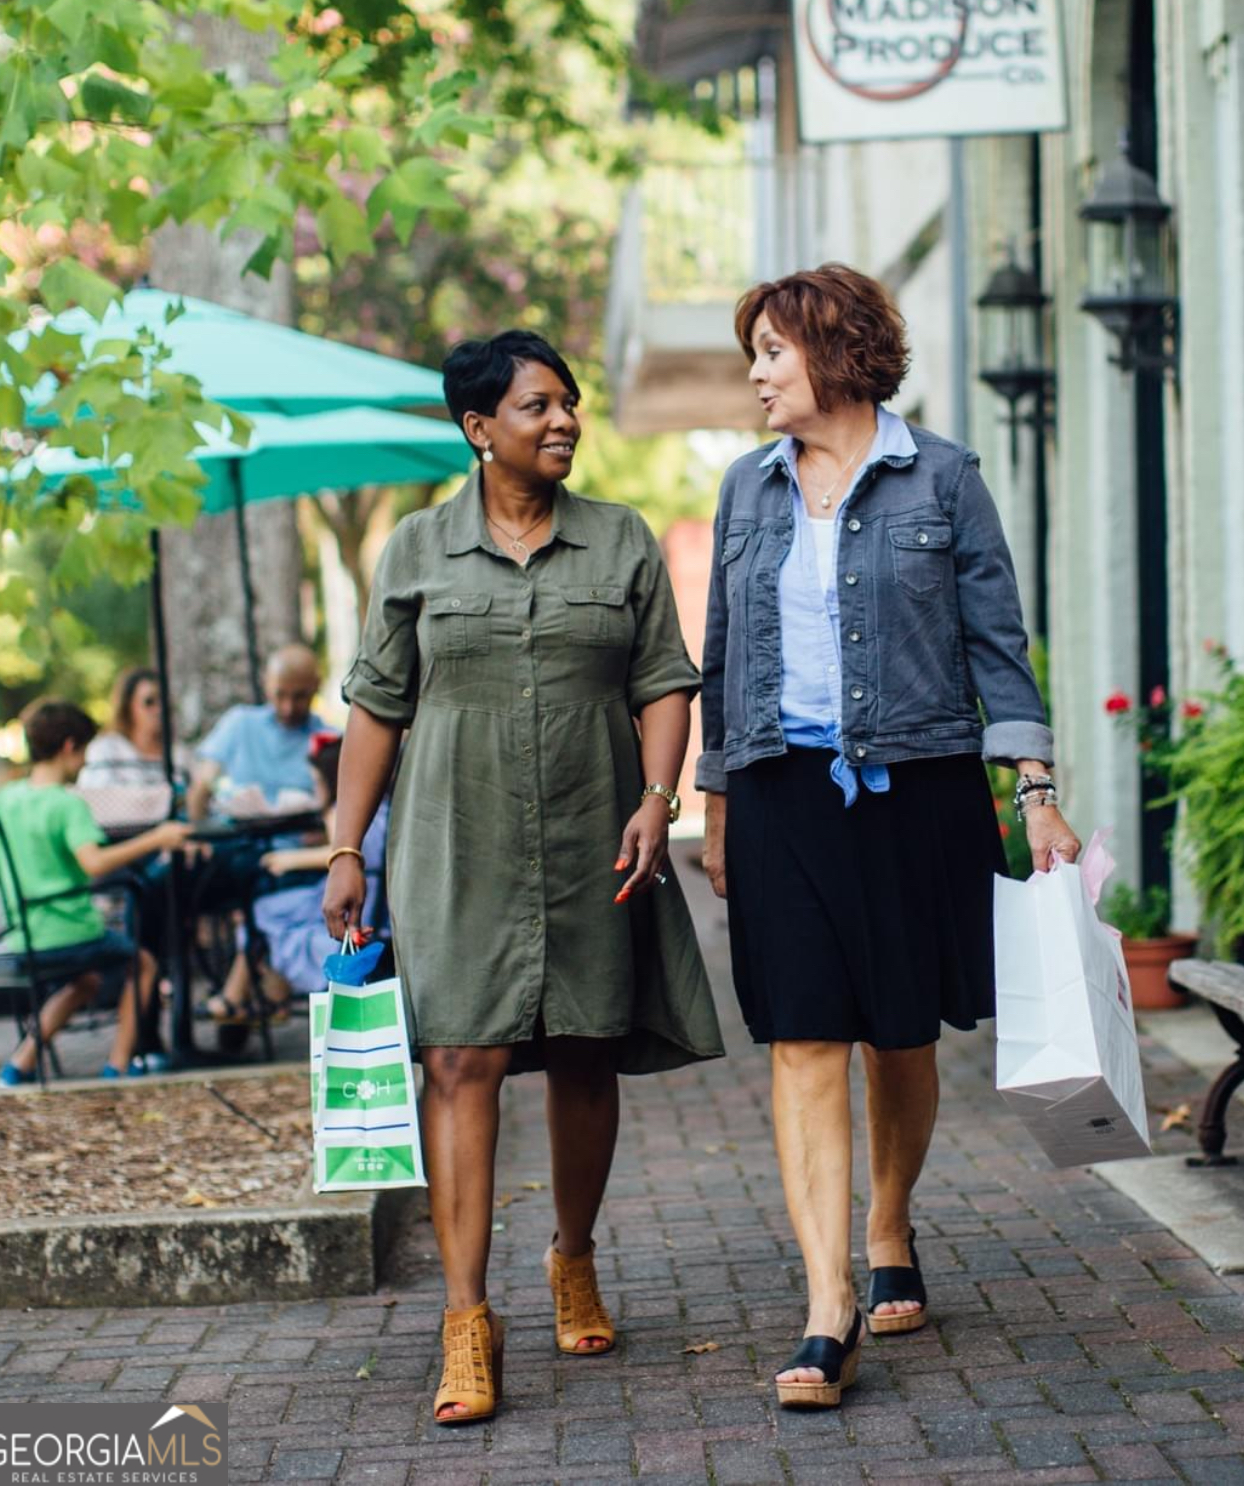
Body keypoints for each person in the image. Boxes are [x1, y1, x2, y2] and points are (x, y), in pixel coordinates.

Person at [324, 329, 723, 1426]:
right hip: (455, 840)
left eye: (569, 404)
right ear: (478, 428)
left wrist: (657, 799)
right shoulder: (412, 551)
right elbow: (375, 708)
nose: (562, 421)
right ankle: (464, 1318)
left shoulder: (621, 540)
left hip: (594, 830)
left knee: (584, 1048)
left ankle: (573, 1258)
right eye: (537, 406)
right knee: (458, 1059)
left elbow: (662, 682)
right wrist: (345, 847)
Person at [698, 265, 1080, 1411]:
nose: (756, 373)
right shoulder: (745, 491)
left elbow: (996, 649)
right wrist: (714, 804)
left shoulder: (943, 480)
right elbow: (718, 660)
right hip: (780, 791)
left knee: (898, 1034)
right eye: (751, 352)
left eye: (771, 349)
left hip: (915, 787)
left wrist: (1032, 788)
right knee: (802, 1034)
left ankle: (887, 1217)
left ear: (834, 350)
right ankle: (828, 1307)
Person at [0, 700, 191, 1085]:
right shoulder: (66, 803)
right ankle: (118, 1066)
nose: (83, 765)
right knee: (142, 964)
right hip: (69, 930)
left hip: (24, 934)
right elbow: (94, 864)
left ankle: (16, 1068)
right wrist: (156, 838)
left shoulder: (3, 801)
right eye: (84, 754)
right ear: (68, 746)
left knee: (87, 982)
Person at [198, 732, 388, 1026]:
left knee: (260, 914)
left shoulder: (343, 811)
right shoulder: (379, 808)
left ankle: (259, 996)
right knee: (263, 912)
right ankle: (261, 996)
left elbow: (352, 853)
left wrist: (294, 858)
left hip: (356, 903)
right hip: (372, 900)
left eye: (316, 782)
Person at [186, 645, 327, 819]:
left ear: (317, 686)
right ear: (266, 683)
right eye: (280, 695)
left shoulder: (328, 740)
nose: (288, 708)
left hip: (298, 842)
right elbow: (202, 784)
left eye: (300, 696)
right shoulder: (240, 723)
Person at [78, 667, 191, 792]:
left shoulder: (180, 755)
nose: (159, 709)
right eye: (149, 702)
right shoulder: (107, 750)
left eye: (164, 701)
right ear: (128, 707)